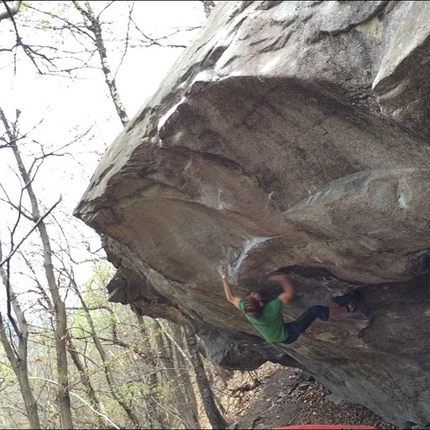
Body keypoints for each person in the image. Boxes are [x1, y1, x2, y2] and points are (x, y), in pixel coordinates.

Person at [219, 265, 361, 345]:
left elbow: (230, 298)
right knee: (315, 310)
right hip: (288, 335)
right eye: (253, 296)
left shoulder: (248, 309)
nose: (251, 293)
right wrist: (282, 278)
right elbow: (290, 293)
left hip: (273, 335)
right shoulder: (272, 309)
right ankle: (349, 308)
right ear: (261, 304)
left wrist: (223, 276)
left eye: (250, 295)